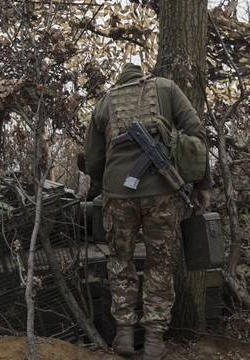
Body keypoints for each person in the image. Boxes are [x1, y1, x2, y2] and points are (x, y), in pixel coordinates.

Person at [83, 63, 211, 359]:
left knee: (120, 262)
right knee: (160, 264)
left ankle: (124, 335)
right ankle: (154, 339)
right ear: (143, 75)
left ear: (120, 79)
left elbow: (93, 159)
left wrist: (108, 182)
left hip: (118, 196)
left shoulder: (104, 101)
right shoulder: (166, 88)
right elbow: (197, 135)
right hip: (161, 197)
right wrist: (202, 182)